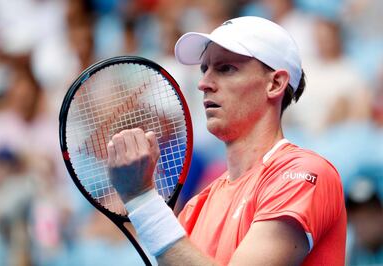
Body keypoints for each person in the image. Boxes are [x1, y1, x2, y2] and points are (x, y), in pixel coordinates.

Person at [107, 16, 346, 265]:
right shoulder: (195, 209)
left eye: (225, 68)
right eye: (204, 69)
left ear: (275, 83)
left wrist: (143, 199)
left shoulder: (305, 174)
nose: (204, 83)